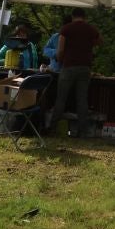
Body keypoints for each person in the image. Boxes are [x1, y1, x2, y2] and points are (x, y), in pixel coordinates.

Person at [49, 7, 101, 137]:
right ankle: (82, 131)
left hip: (69, 66)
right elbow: (100, 41)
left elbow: (60, 49)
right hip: (85, 67)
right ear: (85, 17)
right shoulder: (90, 29)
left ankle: (53, 128)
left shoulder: (66, 29)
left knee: (61, 98)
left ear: (73, 16)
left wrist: (60, 59)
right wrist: (88, 45)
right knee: (82, 99)